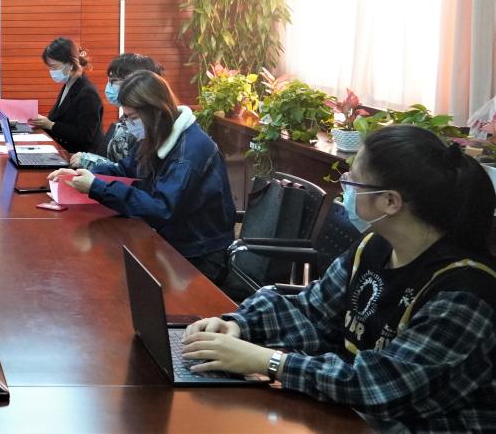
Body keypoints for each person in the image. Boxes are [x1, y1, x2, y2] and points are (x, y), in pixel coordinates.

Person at [180, 125, 496, 431]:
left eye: (353, 180)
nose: (345, 188)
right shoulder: (374, 246)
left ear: (390, 201)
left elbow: (380, 387)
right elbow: (311, 310)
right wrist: (239, 325)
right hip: (351, 414)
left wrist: (268, 361)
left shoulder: (464, 293)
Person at [49, 70, 234, 283]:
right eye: (126, 118)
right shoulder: (158, 133)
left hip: (197, 254)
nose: (129, 125)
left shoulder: (189, 153)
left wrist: (97, 188)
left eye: (133, 118)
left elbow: (161, 209)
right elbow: (126, 170)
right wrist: (85, 176)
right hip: (166, 238)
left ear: (156, 111)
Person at [72, 52, 164, 169]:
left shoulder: (146, 125)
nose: (109, 87)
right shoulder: (126, 117)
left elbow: (134, 171)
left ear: (137, 82)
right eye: (109, 81)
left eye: (114, 81)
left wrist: (90, 161)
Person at [29, 37, 103, 153]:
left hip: (79, 156)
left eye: (54, 67)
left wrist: (51, 125)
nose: (51, 71)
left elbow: (85, 136)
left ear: (70, 64)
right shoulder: (68, 85)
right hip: (64, 150)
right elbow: (59, 118)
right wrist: (42, 122)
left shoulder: (88, 93)